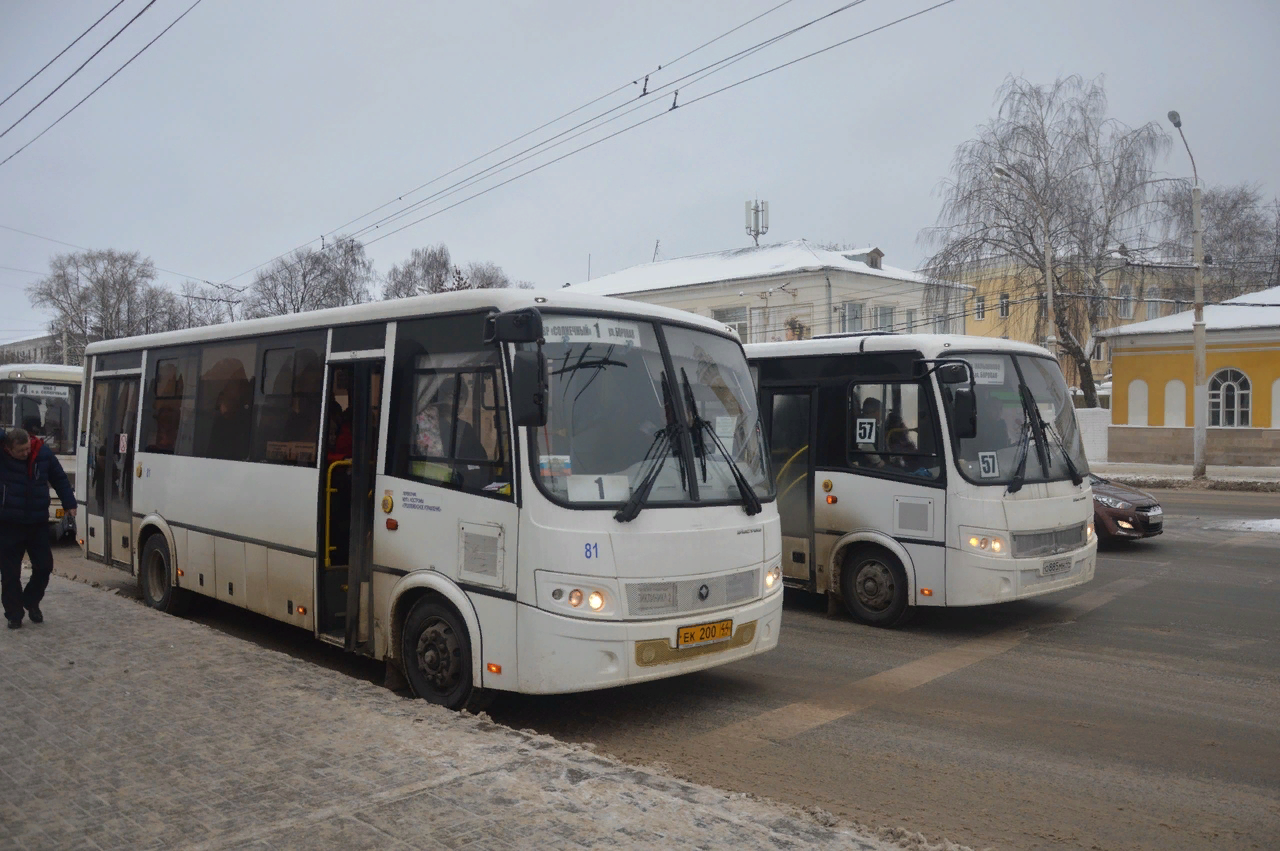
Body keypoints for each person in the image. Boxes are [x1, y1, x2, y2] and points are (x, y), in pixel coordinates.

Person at [0, 427, 76, 629]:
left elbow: (59, 477)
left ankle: (31, 600)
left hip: (37, 523)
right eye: (20, 451)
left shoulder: (42, 452)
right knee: (9, 574)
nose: (25, 453)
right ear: (9, 449)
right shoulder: (2, 454)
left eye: (27, 448)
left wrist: (69, 504)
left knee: (44, 566)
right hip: (9, 523)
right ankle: (14, 614)